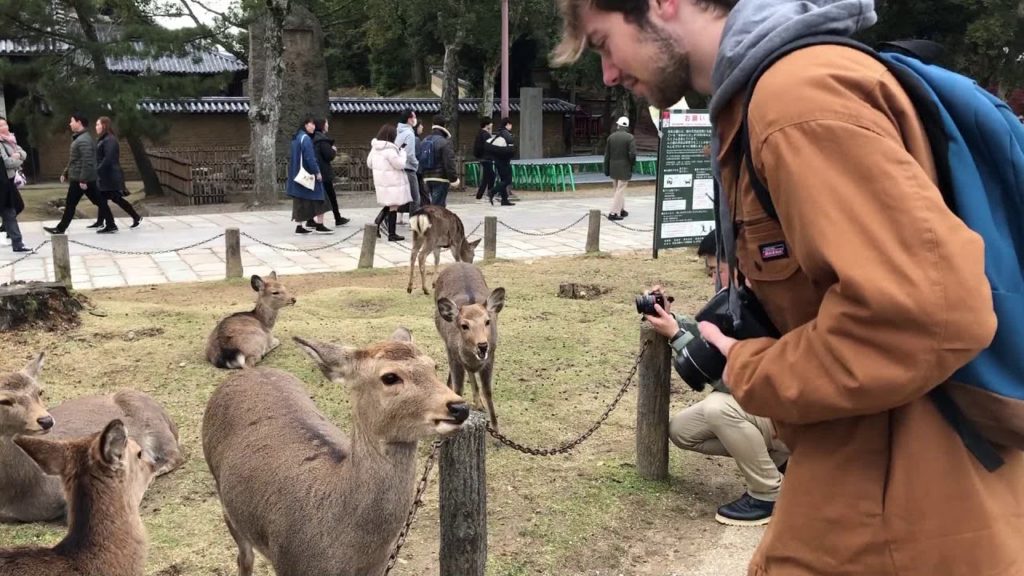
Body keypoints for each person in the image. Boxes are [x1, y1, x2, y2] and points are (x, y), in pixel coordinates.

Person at [553, 1, 1024, 574]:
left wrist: (752, 368)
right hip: (872, 457)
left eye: (604, 42)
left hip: (907, 483)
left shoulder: (796, 100)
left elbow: (927, 313)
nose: (606, 74)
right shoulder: (766, 98)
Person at [652, 230, 789, 526]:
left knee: (719, 407)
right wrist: (674, 321)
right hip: (770, 412)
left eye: (717, 270)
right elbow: (711, 338)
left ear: (741, 264)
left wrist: (676, 335)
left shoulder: (774, 305)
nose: (713, 278)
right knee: (682, 430)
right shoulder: (744, 299)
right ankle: (781, 461)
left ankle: (767, 494)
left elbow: (736, 381)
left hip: (789, 413)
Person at [44, 113, 115, 235]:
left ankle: (60, 228)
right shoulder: (80, 138)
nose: (70, 124)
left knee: (71, 204)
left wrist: (83, 179)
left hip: (81, 179)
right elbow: (75, 159)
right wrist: (66, 172)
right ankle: (111, 224)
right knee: (98, 201)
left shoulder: (84, 140)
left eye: (72, 121)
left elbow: (87, 161)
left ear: (79, 123)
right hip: (82, 177)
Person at [93, 116, 142, 231]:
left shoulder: (110, 140)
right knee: (112, 199)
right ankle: (133, 217)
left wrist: (98, 170)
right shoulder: (103, 139)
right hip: (106, 175)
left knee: (107, 198)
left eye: (98, 124)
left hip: (110, 175)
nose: (96, 127)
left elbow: (109, 158)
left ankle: (111, 224)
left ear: (104, 125)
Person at [366, 124, 411, 242]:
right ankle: (391, 233)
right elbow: (400, 164)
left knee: (390, 204)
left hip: (382, 181)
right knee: (394, 206)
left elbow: (369, 163)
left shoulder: (375, 148)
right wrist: (403, 153)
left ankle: (379, 223)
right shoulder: (390, 150)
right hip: (393, 180)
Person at [286, 116, 331, 235]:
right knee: (320, 197)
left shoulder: (296, 138)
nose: (314, 127)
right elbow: (310, 157)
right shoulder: (305, 139)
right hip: (308, 174)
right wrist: (317, 172)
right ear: (306, 125)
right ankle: (320, 224)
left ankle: (299, 226)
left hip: (297, 175)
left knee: (299, 200)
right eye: (312, 124)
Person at [313, 118, 349, 228]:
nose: (328, 125)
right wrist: (333, 150)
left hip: (318, 171)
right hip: (323, 172)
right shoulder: (322, 140)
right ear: (322, 125)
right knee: (330, 196)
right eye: (327, 123)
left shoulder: (313, 138)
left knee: (315, 196)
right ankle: (337, 218)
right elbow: (328, 156)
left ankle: (311, 219)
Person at [0, 117, 29, 252]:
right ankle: (16, 242)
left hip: (8, 181)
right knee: (9, 211)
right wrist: (18, 159)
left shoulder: (10, 140)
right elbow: (7, 162)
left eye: (5, 124)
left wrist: (18, 156)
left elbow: (23, 153)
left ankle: (16, 242)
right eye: (1, 126)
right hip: (3, 181)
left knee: (12, 209)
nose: (4, 128)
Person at [420, 116, 460, 208]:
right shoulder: (445, 142)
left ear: (433, 125)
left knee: (428, 206)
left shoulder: (425, 140)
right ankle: (435, 222)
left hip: (426, 178)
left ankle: (429, 221)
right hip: (441, 178)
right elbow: (449, 162)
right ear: (444, 126)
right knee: (438, 207)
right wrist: (453, 179)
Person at [604, 116, 636, 221]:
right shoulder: (630, 137)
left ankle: (621, 209)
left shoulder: (611, 137)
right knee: (620, 190)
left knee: (617, 189)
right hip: (624, 167)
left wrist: (606, 169)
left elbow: (607, 155)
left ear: (618, 125)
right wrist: (632, 164)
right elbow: (632, 154)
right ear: (626, 126)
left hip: (613, 167)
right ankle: (614, 212)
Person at [485, 117, 516, 206]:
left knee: (503, 179)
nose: (511, 126)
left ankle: (504, 199)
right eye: (510, 124)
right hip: (504, 161)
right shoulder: (506, 134)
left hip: (497, 160)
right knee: (507, 180)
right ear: (507, 125)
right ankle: (492, 191)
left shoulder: (499, 133)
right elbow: (511, 147)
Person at [396, 109, 422, 213]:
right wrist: (416, 164)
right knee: (415, 199)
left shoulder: (399, 132)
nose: (415, 119)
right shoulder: (409, 134)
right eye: (414, 117)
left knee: (397, 198)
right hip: (409, 169)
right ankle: (414, 223)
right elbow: (410, 153)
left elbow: (401, 148)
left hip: (399, 167)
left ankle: (385, 219)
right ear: (409, 119)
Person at [473, 117, 496, 201]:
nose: (492, 124)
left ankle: (480, 195)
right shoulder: (486, 135)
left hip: (482, 158)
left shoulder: (479, 133)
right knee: (492, 176)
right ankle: (490, 194)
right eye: (490, 123)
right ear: (487, 124)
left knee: (486, 177)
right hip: (487, 158)